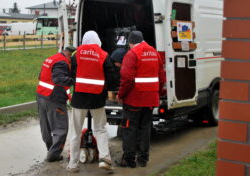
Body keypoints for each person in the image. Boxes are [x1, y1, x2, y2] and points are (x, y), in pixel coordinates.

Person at [67, 31, 116, 173]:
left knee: (76, 132)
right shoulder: (103, 54)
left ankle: (73, 164)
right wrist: (109, 90)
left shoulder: (77, 54)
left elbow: (72, 74)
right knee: (100, 129)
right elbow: (111, 75)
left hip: (79, 99)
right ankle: (105, 159)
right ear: (97, 40)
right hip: (97, 98)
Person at [115, 31, 165, 168]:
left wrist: (121, 95)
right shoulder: (154, 53)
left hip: (134, 100)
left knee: (130, 128)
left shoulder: (132, 54)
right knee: (145, 128)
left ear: (131, 42)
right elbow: (161, 77)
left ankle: (129, 160)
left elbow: (126, 79)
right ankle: (143, 159)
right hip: (150, 99)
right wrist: (157, 93)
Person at [36, 46, 76, 162]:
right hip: (54, 98)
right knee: (60, 127)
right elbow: (58, 79)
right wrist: (76, 80)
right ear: (69, 55)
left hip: (41, 96)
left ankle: (50, 149)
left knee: (46, 126)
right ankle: (53, 154)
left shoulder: (50, 59)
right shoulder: (62, 62)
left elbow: (41, 76)